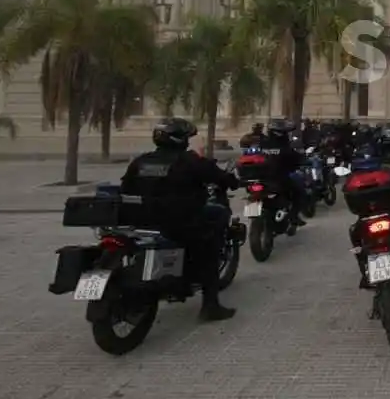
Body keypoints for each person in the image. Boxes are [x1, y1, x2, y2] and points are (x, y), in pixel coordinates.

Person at [120, 118, 239, 322]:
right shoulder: (189, 161)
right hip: (179, 224)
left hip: (141, 223)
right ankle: (211, 306)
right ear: (180, 139)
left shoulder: (141, 161)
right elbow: (219, 176)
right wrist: (232, 181)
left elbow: (126, 188)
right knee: (211, 236)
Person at [257, 118, 309, 229]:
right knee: (299, 191)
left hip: (261, 179)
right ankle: (294, 217)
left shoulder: (262, 143)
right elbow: (296, 159)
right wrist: (302, 162)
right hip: (279, 179)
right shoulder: (285, 147)